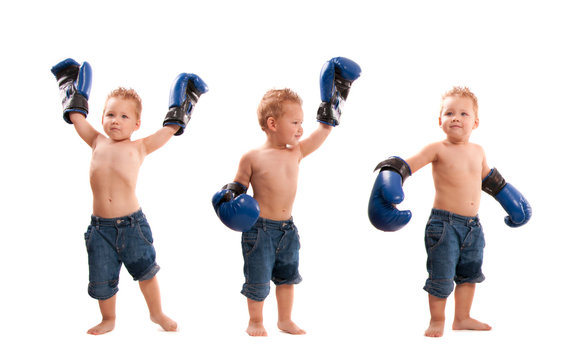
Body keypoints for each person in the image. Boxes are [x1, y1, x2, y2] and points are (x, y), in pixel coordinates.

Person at [51, 58, 208, 335]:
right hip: (100, 228)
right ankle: (108, 319)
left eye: (124, 117)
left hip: (132, 225)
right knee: (102, 279)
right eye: (110, 115)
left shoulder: (140, 147)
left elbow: (168, 131)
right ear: (102, 118)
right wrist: (72, 88)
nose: (116, 121)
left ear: (136, 124)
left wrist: (182, 105)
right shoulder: (96, 141)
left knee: (146, 272)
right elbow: (77, 117)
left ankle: (157, 313)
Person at [212, 57, 361, 336]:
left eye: (301, 122)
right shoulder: (252, 157)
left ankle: (284, 319)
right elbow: (239, 185)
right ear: (272, 123)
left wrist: (334, 101)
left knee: (288, 277)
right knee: (257, 280)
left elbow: (323, 130)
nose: (300, 128)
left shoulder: (297, 151)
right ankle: (255, 321)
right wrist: (228, 195)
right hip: (260, 230)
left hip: (287, 228)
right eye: (294, 122)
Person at [368, 86, 531, 337]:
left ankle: (462, 318)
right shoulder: (437, 149)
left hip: (473, 226)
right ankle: (437, 320)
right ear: (439, 120)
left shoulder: (478, 151)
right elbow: (406, 166)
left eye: (464, 114)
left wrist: (510, 199)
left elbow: (489, 180)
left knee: (469, 274)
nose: (456, 118)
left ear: (475, 122)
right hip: (443, 226)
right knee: (441, 276)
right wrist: (390, 172)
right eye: (449, 113)